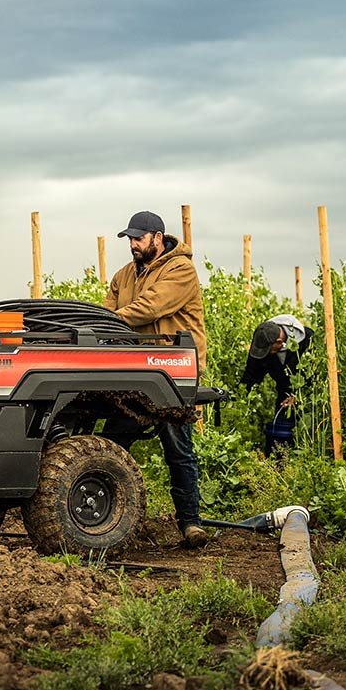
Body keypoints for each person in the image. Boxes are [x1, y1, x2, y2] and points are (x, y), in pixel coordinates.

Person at [102, 210, 208, 548]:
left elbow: (150, 307)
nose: (132, 244)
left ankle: (190, 523)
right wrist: (98, 323)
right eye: (130, 239)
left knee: (178, 447)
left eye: (138, 238)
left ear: (157, 239)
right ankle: (110, 516)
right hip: (135, 372)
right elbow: (106, 310)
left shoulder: (181, 270)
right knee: (113, 442)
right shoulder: (123, 275)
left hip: (172, 370)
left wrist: (111, 321)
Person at [241, 315, 313, 453]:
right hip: (283, 398)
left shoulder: (307, 340)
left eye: (269, 351)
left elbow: (317, 376)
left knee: (305, 437)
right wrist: (240, 397)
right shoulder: (262, 338)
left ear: (279, 342)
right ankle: (279, 468)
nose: (266, 354)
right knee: (279, 437)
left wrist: (299, 396)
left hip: (310, 401)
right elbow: (252, 373)